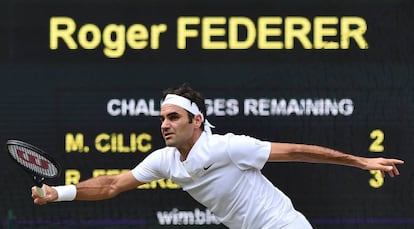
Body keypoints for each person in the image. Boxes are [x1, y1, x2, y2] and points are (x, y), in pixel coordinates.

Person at [32, 84, 404, 229]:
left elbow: (296, 151)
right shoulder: (164, 160)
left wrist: (361, 161)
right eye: (162, 118)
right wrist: (58, 192)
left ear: (197, 121)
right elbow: (112, 184)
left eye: (173, 117)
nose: (164, 124)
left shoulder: (226, 146)